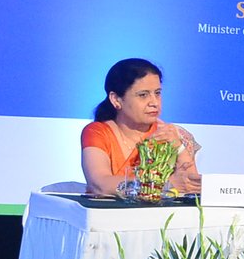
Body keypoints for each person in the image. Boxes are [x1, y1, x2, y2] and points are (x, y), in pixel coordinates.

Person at [80, 58, 201, 197]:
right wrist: (165, 185)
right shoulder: (97, 132)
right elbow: (99, 184)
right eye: (143, 95)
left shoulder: (173, 134)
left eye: (157, 93)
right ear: (116, 99)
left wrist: (179, 148)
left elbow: (192, 188)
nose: (154, 103)